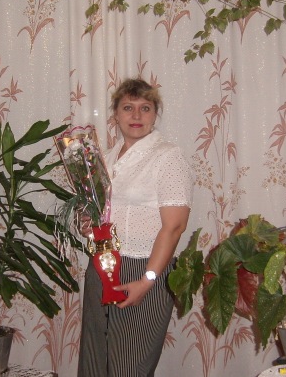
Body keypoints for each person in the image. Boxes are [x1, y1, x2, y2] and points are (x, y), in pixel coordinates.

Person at [77, 78, 194, 377]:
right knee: (95, 362)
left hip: (144, 269)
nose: (137, 115)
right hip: (101, 265)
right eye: (128, 107)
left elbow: (175, 226)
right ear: (115, 114)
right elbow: (103, 210)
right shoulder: (106, 158)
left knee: (130, 367)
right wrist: (87, 223)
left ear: (156, 114)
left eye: (146, 107)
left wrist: (148, 279)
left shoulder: (168, 157)